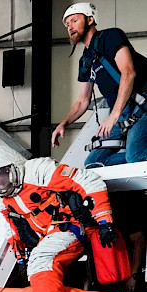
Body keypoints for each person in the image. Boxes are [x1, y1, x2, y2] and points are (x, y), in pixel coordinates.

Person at [0, 145, 116, 292]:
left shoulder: (38, 171)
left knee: (42, 259)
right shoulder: (3, 200)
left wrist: (104, 221)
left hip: (72, 226)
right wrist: (21, 258)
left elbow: (88, 180)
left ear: (8, 169)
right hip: (49, 235)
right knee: (38, 261)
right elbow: (13, 230)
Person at [51, 3, 147, 168]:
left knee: (135, 155)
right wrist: (63, 123)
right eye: (67, 24)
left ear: (90, 20)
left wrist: (113, 116)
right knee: (93, 164)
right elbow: (82, 101)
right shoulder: (86, 60)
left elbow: (129, 73)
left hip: (143, 104)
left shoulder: (110, 37)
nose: (70, 27)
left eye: (74, 20)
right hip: (122, 112)